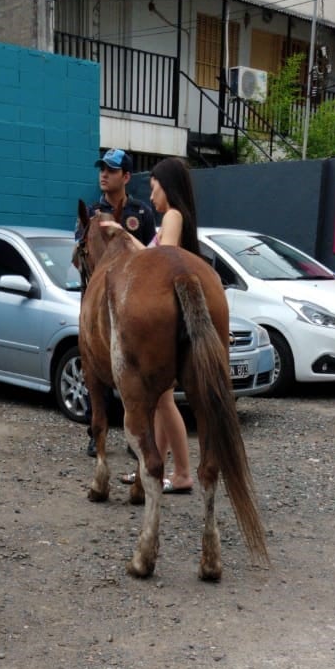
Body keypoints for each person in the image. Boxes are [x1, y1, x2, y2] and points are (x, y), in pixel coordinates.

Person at [119, 156, 200, 494]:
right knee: (163, 400)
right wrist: (122, 237)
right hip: (171, 318)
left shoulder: (174, 216)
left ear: (167, 187)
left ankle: (181, 473)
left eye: (154, 189)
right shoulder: (172, 218)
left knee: (164, 400)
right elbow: (151, 254)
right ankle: (156, 467)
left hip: (167, 322)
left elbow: (164, 259)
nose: (150, 198)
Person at [78, 149, 156, 455]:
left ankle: (131, 433)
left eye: (110, 170)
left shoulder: (142, 213)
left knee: (130, 368)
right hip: (96, 302)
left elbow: (150, 256)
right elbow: (80, 255)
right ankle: (94, 430)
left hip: (130, 302)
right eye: (102, 169)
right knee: (94, 367)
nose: (103, 175)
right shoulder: (92, 214)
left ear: (126, 177)